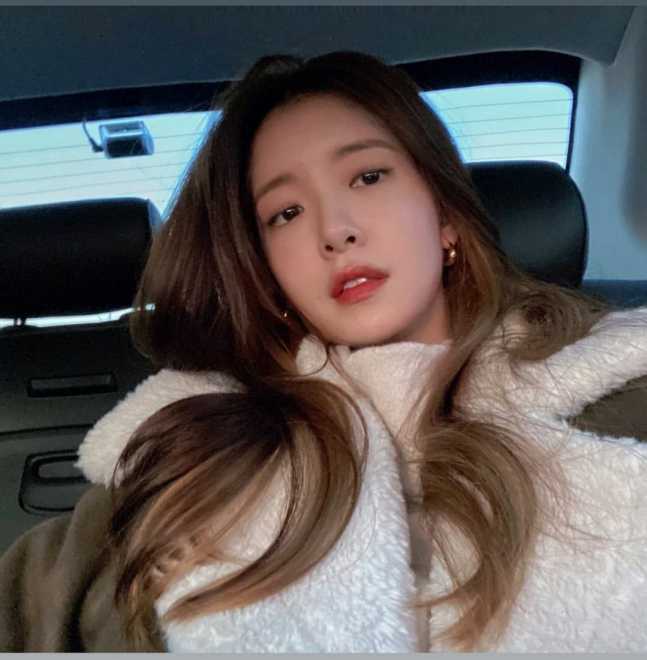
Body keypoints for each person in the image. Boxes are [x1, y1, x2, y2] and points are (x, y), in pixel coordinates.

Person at [1, 50, 647, 653]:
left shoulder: (617, 384)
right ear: (267, 273)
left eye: (368, 176)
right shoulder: (198, 448)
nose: (334, 231)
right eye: (284, 213)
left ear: (445, 216)